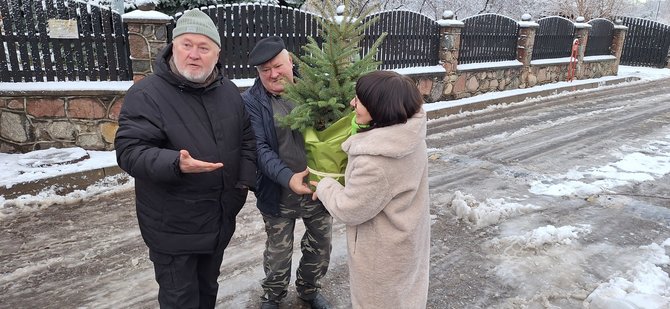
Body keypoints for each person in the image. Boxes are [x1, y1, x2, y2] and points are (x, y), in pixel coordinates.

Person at [114, 9, 256, 309]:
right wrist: (175, 163)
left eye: (204, 47)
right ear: (173, 47)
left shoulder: (229, 92)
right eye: (186, 45)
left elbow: (246, 141)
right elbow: (129, 152)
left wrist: (241, 184)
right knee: (181, 300)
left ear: (217, 54)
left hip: (218, 220)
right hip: (173, 228)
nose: (194, 54)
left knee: (208, 291)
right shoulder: (146, 94)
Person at [311, 70, 431, 309]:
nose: (352, 103)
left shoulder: (376, 161)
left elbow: (349, 209)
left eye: (358, 100)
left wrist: (325, 186)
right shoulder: (408, 138)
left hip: (382, 256)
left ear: (379, 107)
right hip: (406, 240)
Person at [241, 36, 333, 309]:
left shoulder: (317, 91)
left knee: (320, 248)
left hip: (318, 191)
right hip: (278, 192)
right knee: (278, 253)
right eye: (264, 70)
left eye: (277, 65)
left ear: (290, 61)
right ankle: (274, 296)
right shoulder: (251, 102)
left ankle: (309, 290)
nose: (273, 74)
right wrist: (287, 178)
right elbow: (259, 149)